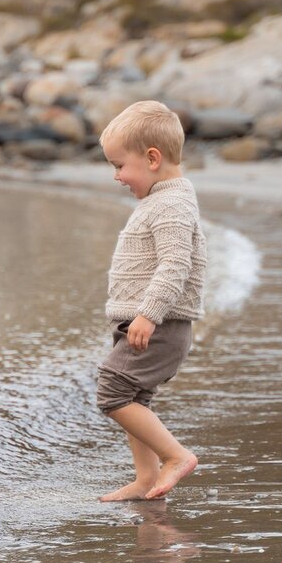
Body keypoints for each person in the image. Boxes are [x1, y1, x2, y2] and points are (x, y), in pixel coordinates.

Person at [96, 100, 206, 501]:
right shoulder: (164, 199)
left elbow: (175, 265)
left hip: (159, 324)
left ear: (153, 159)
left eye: (120, 165)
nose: (116, 176)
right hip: (145, 322)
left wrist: (148, 314)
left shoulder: (172, 205)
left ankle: (175, 456)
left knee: (112, 392)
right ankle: (146, 477)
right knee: (134, 397)